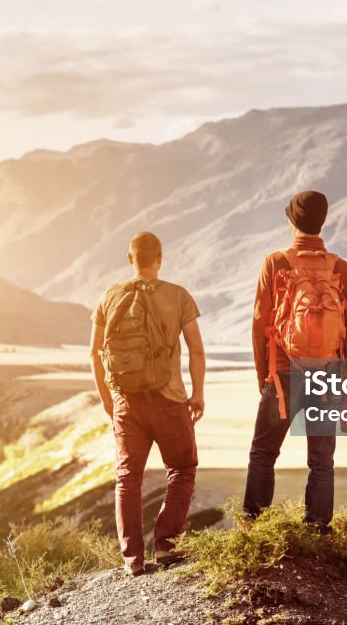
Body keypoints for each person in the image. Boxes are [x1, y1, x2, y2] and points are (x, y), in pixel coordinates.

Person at [243, 190, 347, 532]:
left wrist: (263, 375)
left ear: (292, 220)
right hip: (328, 374)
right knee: (322, 461)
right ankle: (318, 532)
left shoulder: (276, 261)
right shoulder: (340, 268)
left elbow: (259, 323)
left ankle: (256, 530)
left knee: (263, 454)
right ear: (323, 221)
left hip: (282, 373)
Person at [90, 231, 206, 576]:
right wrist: (197, 393)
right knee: (182, 470)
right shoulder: (178, 296)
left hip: (127, 401)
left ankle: (133, 560)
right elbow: (196, 349)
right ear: (161, 258)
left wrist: (108, 400)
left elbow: (95, 354)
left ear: (129, 258)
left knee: (127, 479)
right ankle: (166, 546)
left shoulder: (110, 297)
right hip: (169, 400)